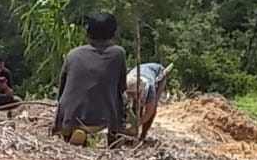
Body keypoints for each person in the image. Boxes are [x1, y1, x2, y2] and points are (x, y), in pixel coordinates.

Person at [53, 12, 127, 147]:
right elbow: (121, 87)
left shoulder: (73, 54)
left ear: (88, 32)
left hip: (68, 117)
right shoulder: (118, 53)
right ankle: (113, 137)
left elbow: (61, 90)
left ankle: (70, 132)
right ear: (113, 33)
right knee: (120, 97)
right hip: (101, 120)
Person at [124, 62, 171, 142]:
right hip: (139, 71)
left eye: (132, 93)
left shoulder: (150, 88)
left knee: (153, 106)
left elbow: (150, 112)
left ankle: (143, 135)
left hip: (158, 72)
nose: (130, 95)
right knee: (136, 105)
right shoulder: (126, 83)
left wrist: (135, 126)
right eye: (129, 93)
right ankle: (134, 132)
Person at [0, 53, 21, 117]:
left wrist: (4, 86)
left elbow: (10, 93)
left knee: (17, 100)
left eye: (1, 67)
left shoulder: (6, 73)